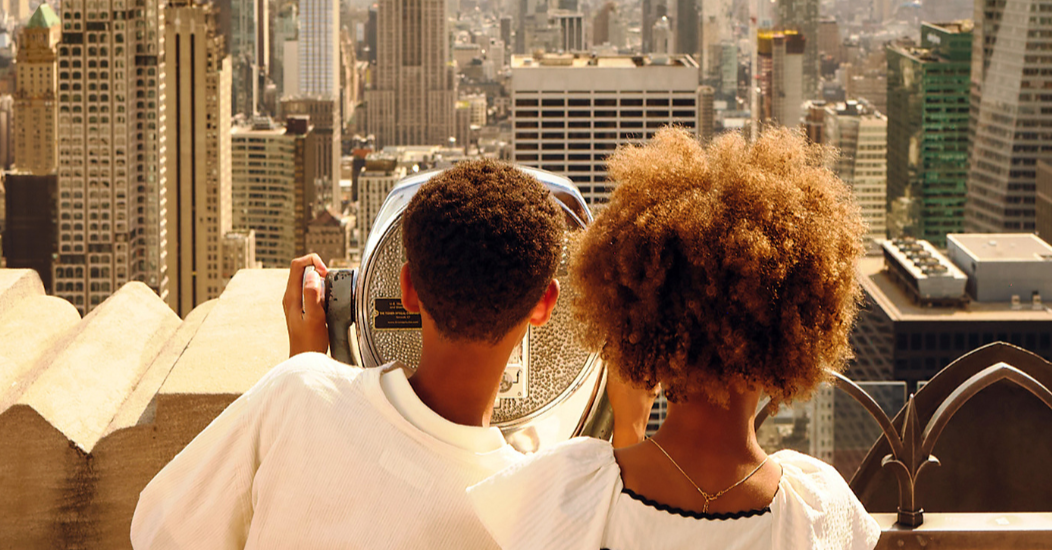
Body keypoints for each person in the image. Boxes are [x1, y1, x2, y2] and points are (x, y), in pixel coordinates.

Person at [132, 159, 646, 549]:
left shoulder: (298, 392)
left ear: (405, 289)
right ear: (545, 306)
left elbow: (158, 529)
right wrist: (631, 427)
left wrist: (306, 366)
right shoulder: (542, 506)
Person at [469, 127, 882, 550]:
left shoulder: (571, 489)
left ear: (641, 317)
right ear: (800, 325)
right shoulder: (817, 511)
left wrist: (627, 428)